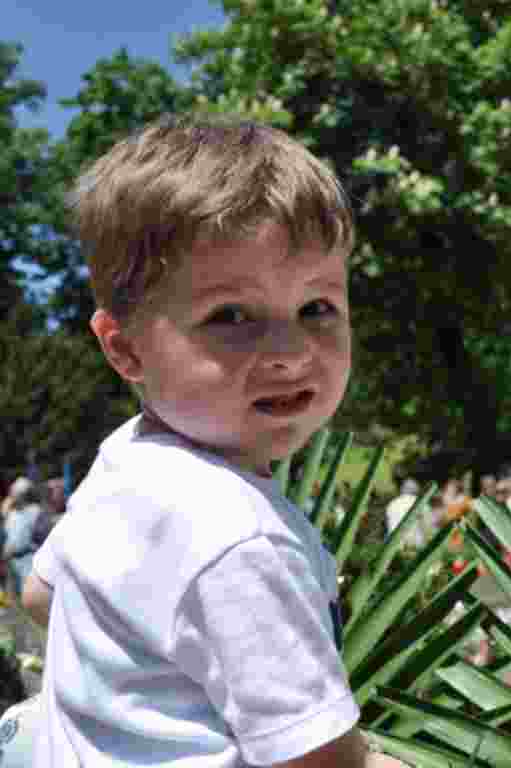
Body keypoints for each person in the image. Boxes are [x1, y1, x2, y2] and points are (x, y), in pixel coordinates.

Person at [20, 115, 405, 767]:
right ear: (123, 348)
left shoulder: (128, 456)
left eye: (316, 308)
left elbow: (40, 595)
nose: (289, 352)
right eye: (230, 316)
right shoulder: (239, 540)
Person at [2, 477, 48, 600]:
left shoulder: (35, 512)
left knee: (31, 599)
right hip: (12, 562)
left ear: (23, 494)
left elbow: (43, 539)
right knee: (14, 602)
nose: (11, 495)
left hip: (29, 561)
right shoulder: (11, 514)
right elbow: (7, 536)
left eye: (14, 493)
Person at [384, 479, 425, 548]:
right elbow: (425, 521)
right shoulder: (420, 503)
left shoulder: (393, 503)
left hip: (393, 543)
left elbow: (387, 518)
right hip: (415, 542)